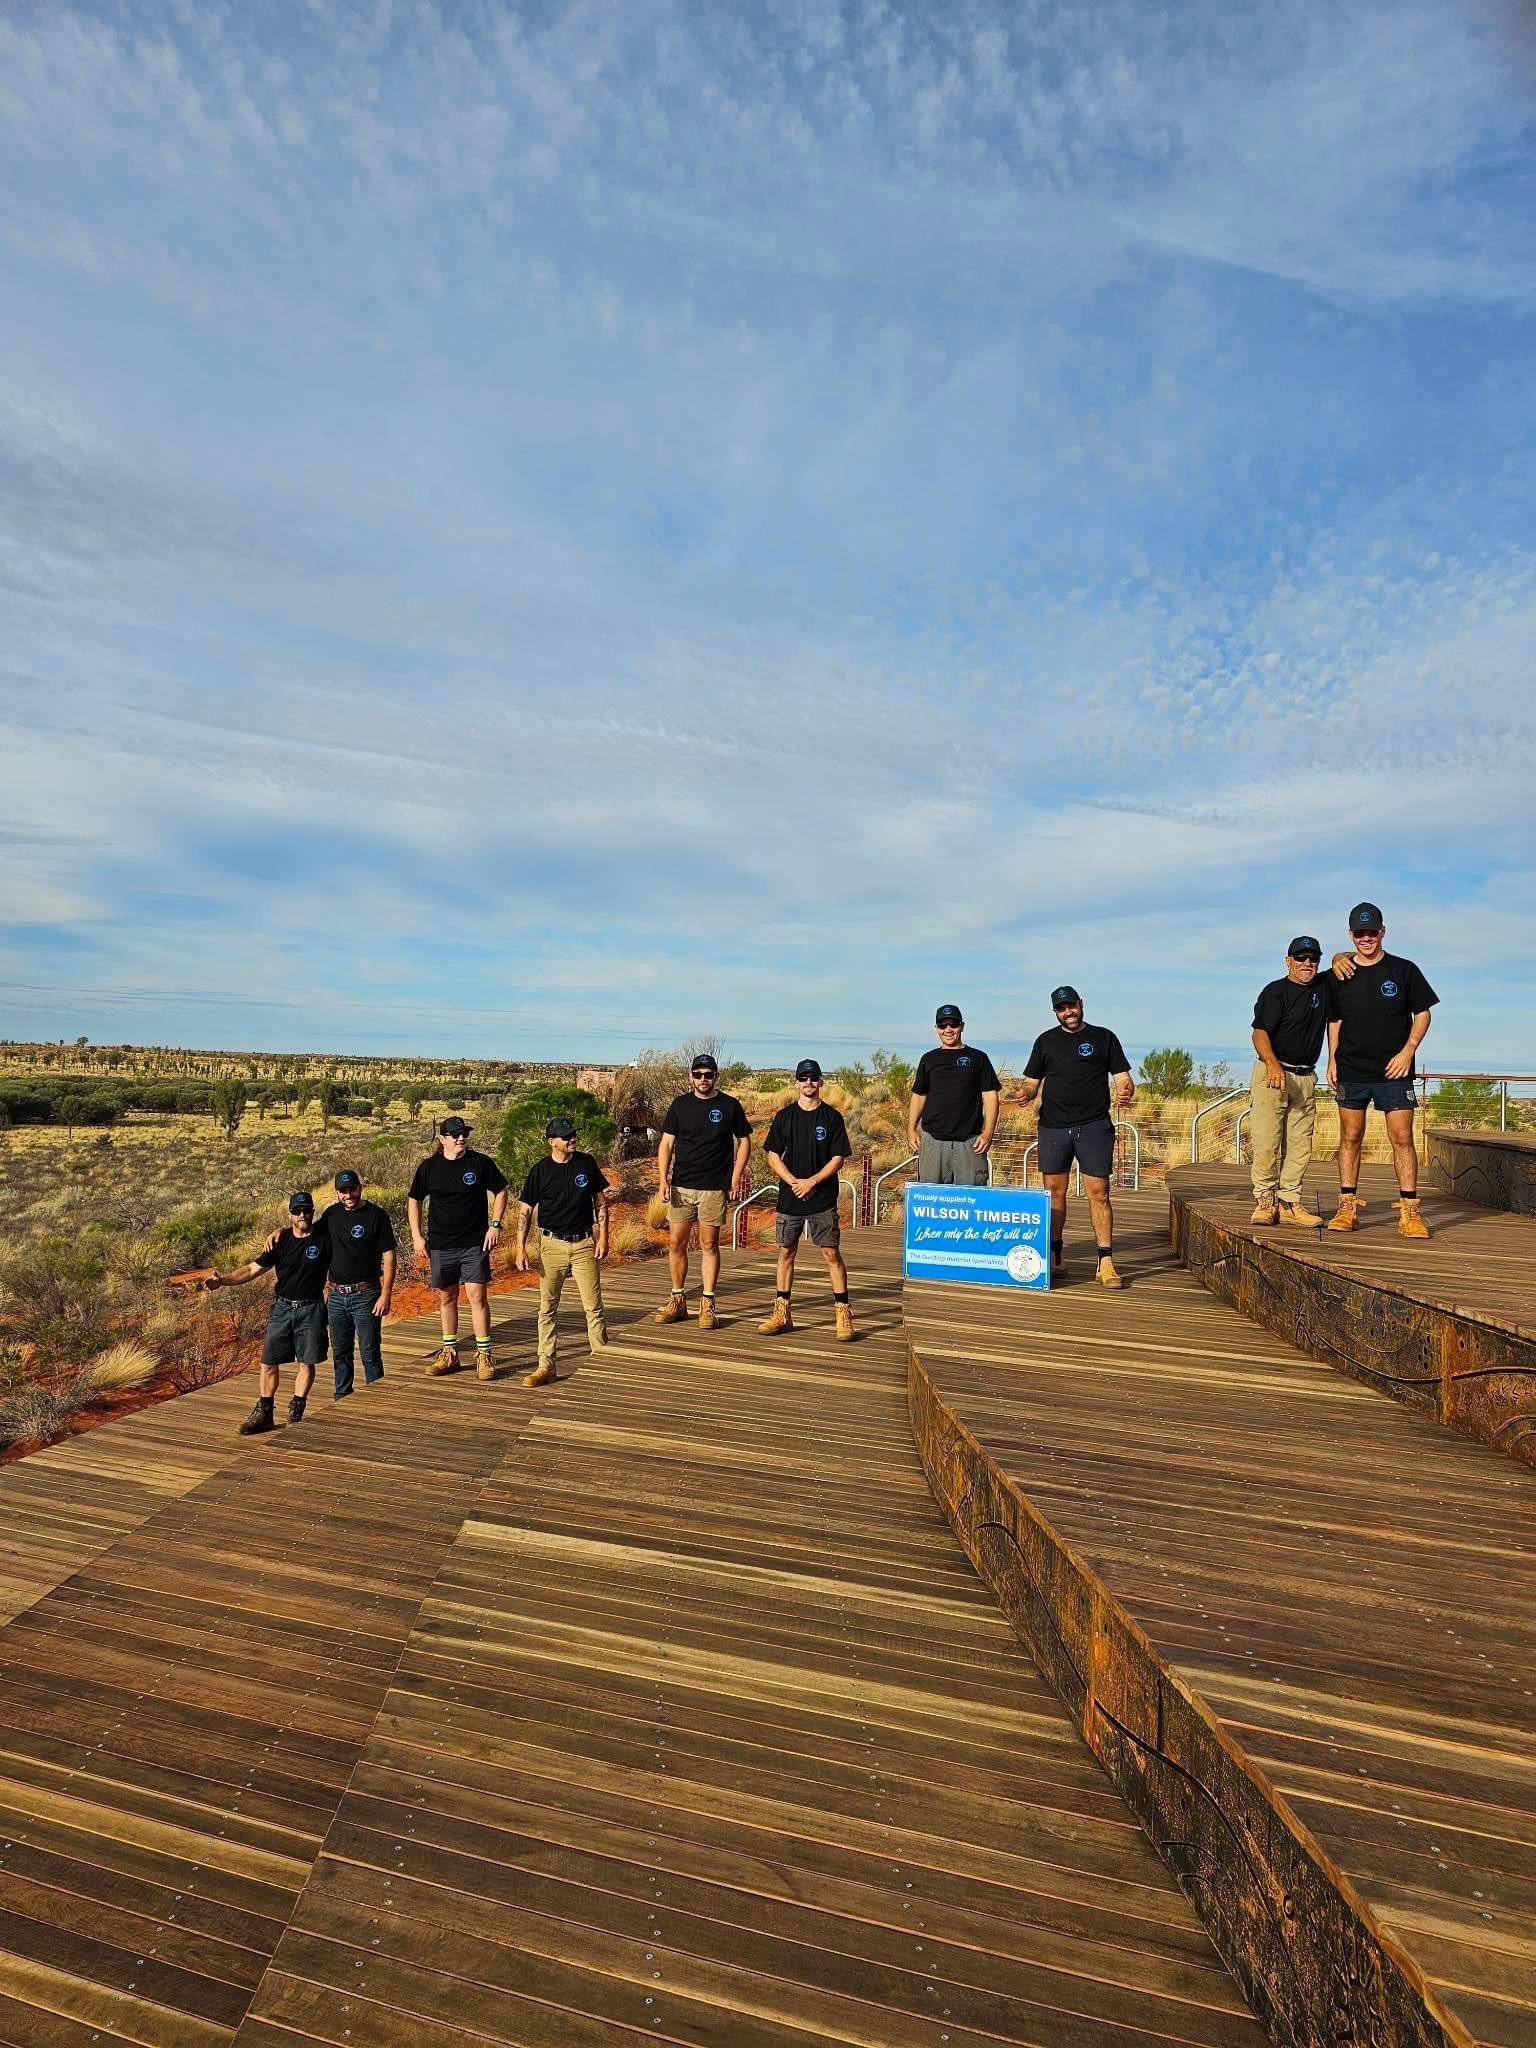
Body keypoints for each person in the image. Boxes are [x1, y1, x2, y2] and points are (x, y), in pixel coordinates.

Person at [1325, 902, 1438, 1239]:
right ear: (1351, 935)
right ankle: (1347, 1206)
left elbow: (1423, 1013)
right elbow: (1335, 1020)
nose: (1366, 938)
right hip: (1351, 1067)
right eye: (1360, 932)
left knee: (1402, 1138)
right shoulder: (1340, 974)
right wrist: (1331, 1059)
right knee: (1350, 1136)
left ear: (1382, 932)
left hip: (1395, 1072)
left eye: (1372, 931)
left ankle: (1410, 1212)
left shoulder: (1404, 970)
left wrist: (1408, 1051)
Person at [1020, 986, 1133, 1287]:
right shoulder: (1045, 1041)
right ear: (1055, 1012)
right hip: (1054, 1127)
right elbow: (1032, 1082)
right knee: (1054, 1194)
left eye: (1071, 1006)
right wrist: (1026, 1094)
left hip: (1094, 1125)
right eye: (1061, 1008)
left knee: (1099, 1193)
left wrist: (1126, 1089)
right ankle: (1056, 1257)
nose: (1067, 1012)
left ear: (1081, 1004)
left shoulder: (1103, 1037)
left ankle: (1105, 1262)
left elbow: (1123, 1077)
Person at [204, 1191, 330, 1434]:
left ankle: (296, 1409)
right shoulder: (280, 1241)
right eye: (297, 1211)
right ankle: (264, 1411)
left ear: (313, 1212)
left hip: (311, 1308)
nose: (302, 1215)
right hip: (283, 1307)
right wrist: (224, 1281)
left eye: (307, 1210)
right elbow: (253, 1269)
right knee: (269, 1362)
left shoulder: (324, 1238)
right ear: (290, 1214)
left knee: (306, 1362)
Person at [758, 1059, 855, 1342]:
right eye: (804, 1078)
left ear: (821, 1082)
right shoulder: (784, 1117)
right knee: (786, 1252)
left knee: (831, 1253)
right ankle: (782, 1312)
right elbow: (773, 1155)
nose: (809, 1083)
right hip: (791, 1197)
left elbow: (838, 1158)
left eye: (814, 1078)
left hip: (822, 1197)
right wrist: (793, 1182)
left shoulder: (832, 1118)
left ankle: (843, 1312)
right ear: (796, 1082)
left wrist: (812, 1181)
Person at [407, 1116, 509, 1378]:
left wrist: (495, 1225)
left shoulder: (480, 1163)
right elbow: (414, 1200)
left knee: (477, 1296)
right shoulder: (429, 1168)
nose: (461, 1138)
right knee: (447, 1297)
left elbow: (500, 1190)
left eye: (464, 1133)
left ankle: (484, 1355)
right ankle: (450, 1352)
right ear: (442, 1139)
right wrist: (417, 1236)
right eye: (454, 1134)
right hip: (441, 1244)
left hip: (474, 1243)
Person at [655, 1053, 752, 1330]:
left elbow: (744, 1141)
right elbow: (666, 1144)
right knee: (676, 1243)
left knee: (709, 1244)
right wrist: (663, 1179)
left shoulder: (729, 1105)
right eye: (697, 1074)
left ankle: (707, 1303)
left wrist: (735, 1178)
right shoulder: (680, 1105)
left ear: (715, 1076)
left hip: (713, 1187)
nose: (702, 1079)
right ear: (690, 1076)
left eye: (707, 1074)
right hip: (682, 1185)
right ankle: (678, 1299)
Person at [516, 1116, 611, 1388]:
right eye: (566, 1136)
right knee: (547, 1309)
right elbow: (525, 1210)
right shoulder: (540, 1171)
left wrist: (603, 1237)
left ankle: (601, 1360)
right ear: (551, 1142)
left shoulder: (586, 1163)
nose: (572, 1139)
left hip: (584, 1244)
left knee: (593, 1307)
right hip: (551, 1246)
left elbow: (600, 1203)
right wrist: (521, 1247)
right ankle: (546, 1366)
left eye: (573, 1135)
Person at [1247, 939, 1327, 1228]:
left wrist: (1343, 955)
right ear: (1288, 960)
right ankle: (1265, 1201)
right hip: (1273, 1075)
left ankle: (1290, 1201)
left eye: (1314, 958)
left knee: (1300, 1144)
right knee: (1267, 1141)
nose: (1308, 963)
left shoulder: (1323, 987)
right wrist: (1272, 1064)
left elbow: (1350, 959)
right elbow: (1259, 1033)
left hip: (1306, 1077)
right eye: (1301, 957)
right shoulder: (1275, 992)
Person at [317, 1169, 397, 1398]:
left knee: (369, 1351)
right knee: (341, 1352)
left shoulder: (376, 1216)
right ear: (337, 1193)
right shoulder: (330, 1216)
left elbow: (389, 1256)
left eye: (352, 1189)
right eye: (343, 1191)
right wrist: (279, 1233)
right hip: (336, 1296)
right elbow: (307, 1234)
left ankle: (377, 1398)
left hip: (366, 1294)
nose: (348, 1195)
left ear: (360, 1188)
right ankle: (342, 1397)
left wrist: (385, 1295)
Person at [907, 1005, 1000, 1185]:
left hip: (970, 1142)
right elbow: (919, 1095)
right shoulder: (928, 1059)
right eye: (942, 1025)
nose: (948, 1029)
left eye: (953, 1024)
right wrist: (910, 1129)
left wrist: (988, 1133)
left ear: (962, 1026)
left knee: (972, 1200)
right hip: (933, 1141)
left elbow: (990, 1096)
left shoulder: (978, 1058)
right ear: (936, 1029)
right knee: (932, 1198)